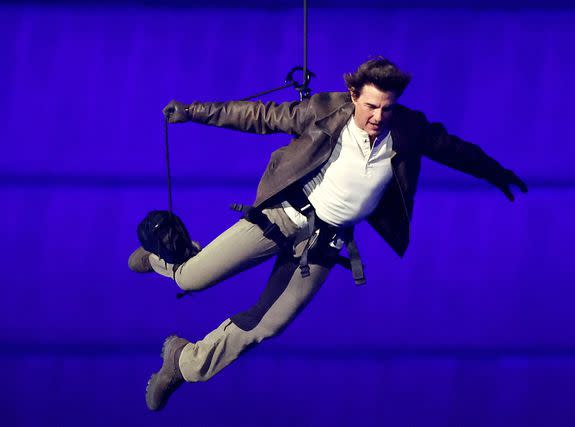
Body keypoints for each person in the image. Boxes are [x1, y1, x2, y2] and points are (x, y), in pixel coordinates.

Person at [128, 57, 527, 411]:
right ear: (354, 94)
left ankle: (184, 362)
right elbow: (260, 116)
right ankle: (158, 260)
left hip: (322, 242)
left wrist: (495, 172)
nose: (377, 117)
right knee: (192, 277)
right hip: (282, 217)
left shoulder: (407, 128)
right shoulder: (324, 110)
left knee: (269, 324)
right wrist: (193, 111)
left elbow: (454, 149)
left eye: (386, 108)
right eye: (370, 106)